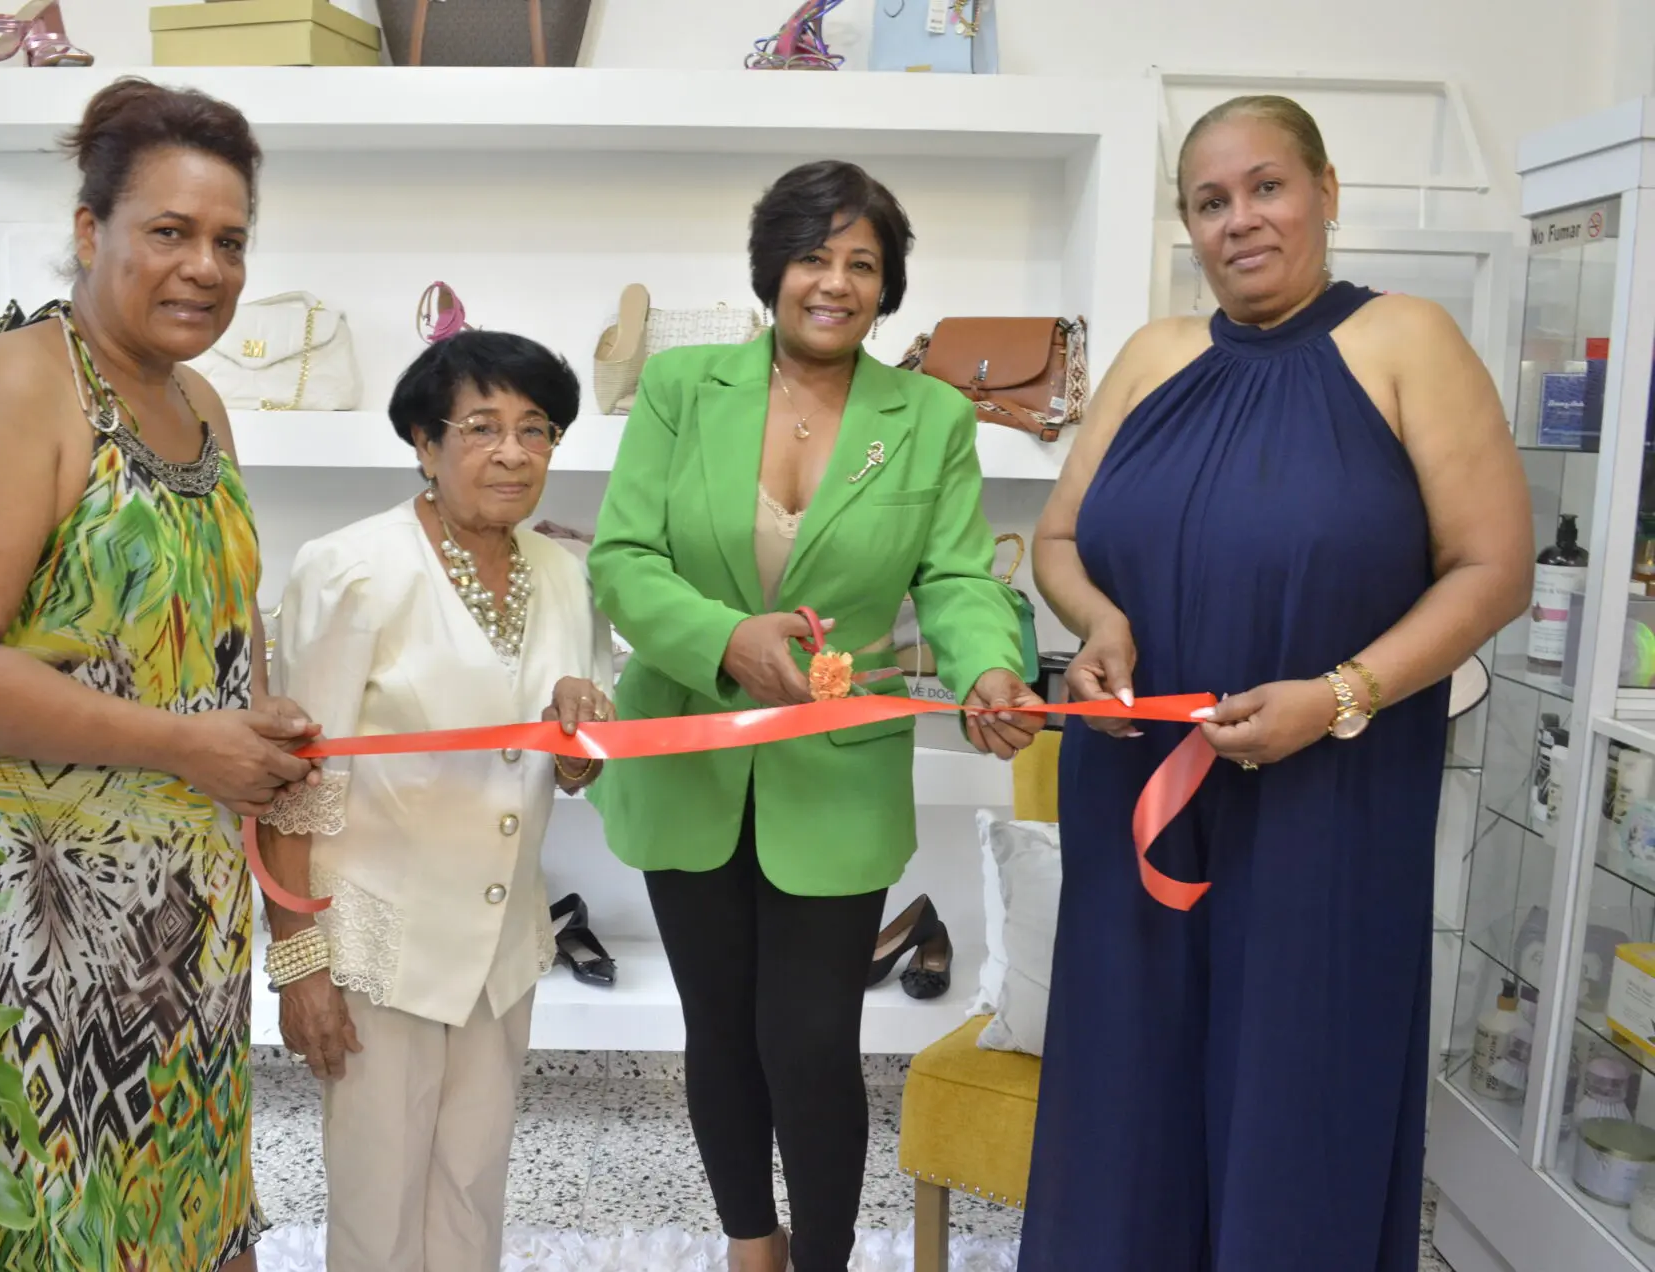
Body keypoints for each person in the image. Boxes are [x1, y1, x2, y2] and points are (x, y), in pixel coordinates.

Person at [1024, 95, 1533, 1271]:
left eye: (1267, 187)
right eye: (1210, 201)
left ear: (1326, 193)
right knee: (1132, 1079)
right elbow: (1058, 541)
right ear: (1187, 224)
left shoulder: (1409, 341)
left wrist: (1341, 696)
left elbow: (1493, 570)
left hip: (1331, 806)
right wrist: (1097, 620)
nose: (1239, 220)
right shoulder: (1155, 355)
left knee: (1299, 1086)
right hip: (1141, 796)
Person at [0, 78, 315, 1272]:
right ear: (90, 230)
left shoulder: (197, 400)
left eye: (229, 240)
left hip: (167, 933)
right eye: (169, 232)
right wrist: (185, 744)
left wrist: (247, 726)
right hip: (14, 934)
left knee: (168, 1217)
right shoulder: (8, 385)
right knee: (35, 1225)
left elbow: (203, 624)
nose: (204, 266)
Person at [587, 159, 1044, 1272]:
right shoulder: (684, 386)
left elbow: (957, 576)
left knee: (810, 1045)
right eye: (812, 257)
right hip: (686, 751)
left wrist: (988, 666)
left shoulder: (929, 413)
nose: (834, 283)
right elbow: (621, 559)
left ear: (887, 288)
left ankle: (826, 1259)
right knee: (721, 1032)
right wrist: (724, 641)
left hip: (836, 768)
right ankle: (752, 1243)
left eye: (862, 265)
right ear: (771, 270)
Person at [255, 329, 614, 1272]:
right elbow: (298, 781)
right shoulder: (351, 569)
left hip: (503, 945)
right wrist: (300, 962)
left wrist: (580, 747)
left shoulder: (566, 573)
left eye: (537, 430)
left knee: (471, 1191)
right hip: (379, 942)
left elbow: (563, 759)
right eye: (482, 427)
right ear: (423, 442)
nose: (513, 452)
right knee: (379, 1204)